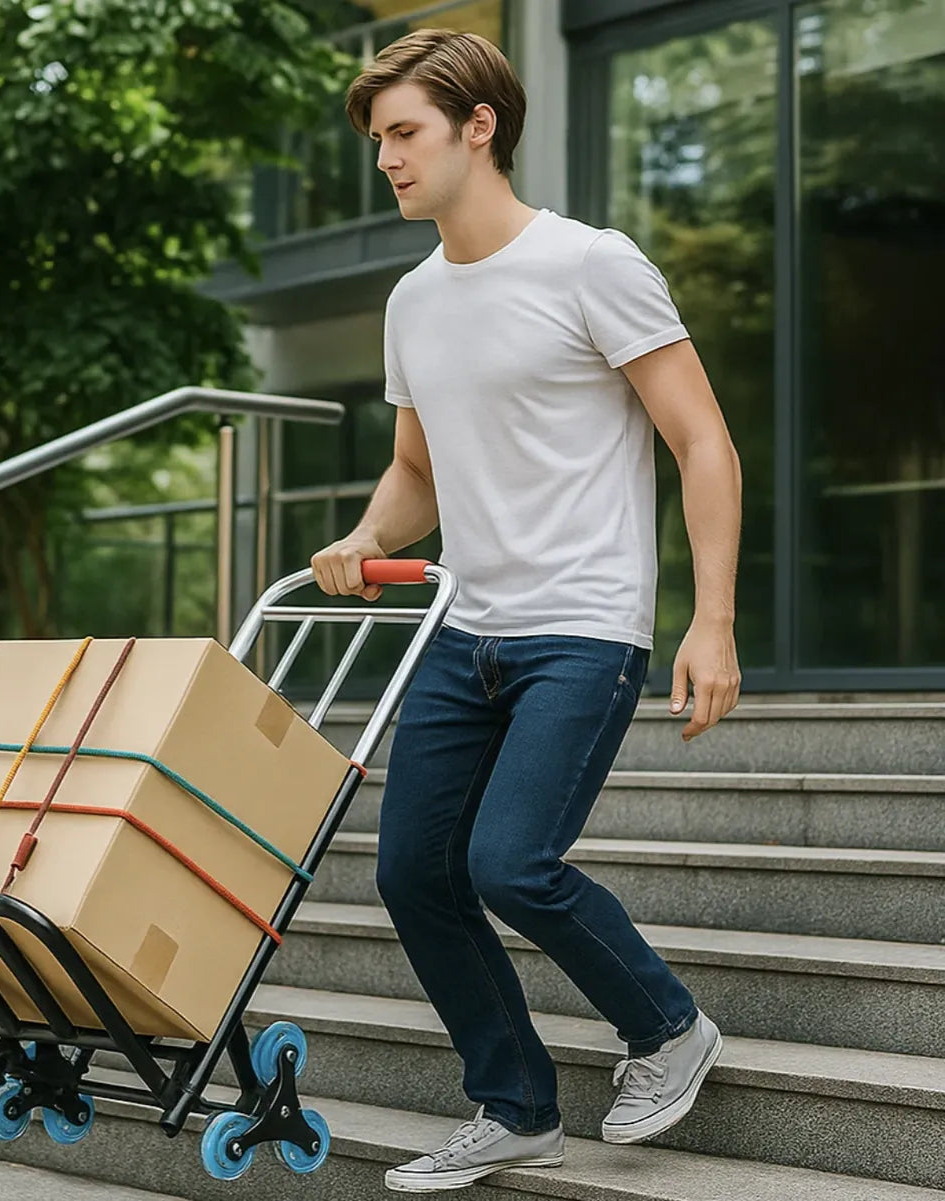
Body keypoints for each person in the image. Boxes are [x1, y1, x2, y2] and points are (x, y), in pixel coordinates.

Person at [309, 28, 742, 1194]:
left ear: (479, 126)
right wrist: (367, 536)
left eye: (405, 133)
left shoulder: (591, 264)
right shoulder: (413, 300)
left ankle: (669, 1027)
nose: (387, 159)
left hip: (584, 625)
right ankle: (516, 1107)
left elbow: (702, 439)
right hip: (468, 630)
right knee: (413, 873)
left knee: (509, 862)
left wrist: (712, 619)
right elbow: (417, 472)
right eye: (379, 140)